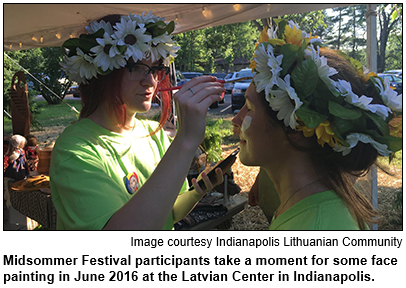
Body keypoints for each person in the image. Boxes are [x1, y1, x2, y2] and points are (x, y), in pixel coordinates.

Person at [50, 12, 226, 230]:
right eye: (137, 68)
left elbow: (168, 211)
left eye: (155, 70)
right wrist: (185, 141)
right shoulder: (76, 149)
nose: (151, 81)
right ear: (105, 70)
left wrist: (197, 191)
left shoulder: (155, 134)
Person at [232, 20, 402, 230]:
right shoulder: (308, 208)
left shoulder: (317, 228)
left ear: (294, 125)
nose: (236, 120)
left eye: (249, 107)